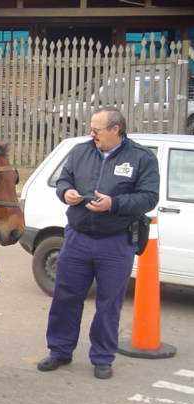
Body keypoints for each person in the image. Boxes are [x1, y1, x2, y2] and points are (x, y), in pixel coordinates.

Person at [37, 106, 159, 380]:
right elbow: (64, 178)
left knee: (109, 303)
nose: (91, 134)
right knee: (65, 298)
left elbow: (149, 198)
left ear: (116, 129)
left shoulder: (141, 158)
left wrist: (113, 204)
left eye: (97, 130)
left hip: (116, 243)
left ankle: (102, 358)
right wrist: (64, 191)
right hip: (77, 238)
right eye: (91, 129)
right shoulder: (81, 151)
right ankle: (59, 351)